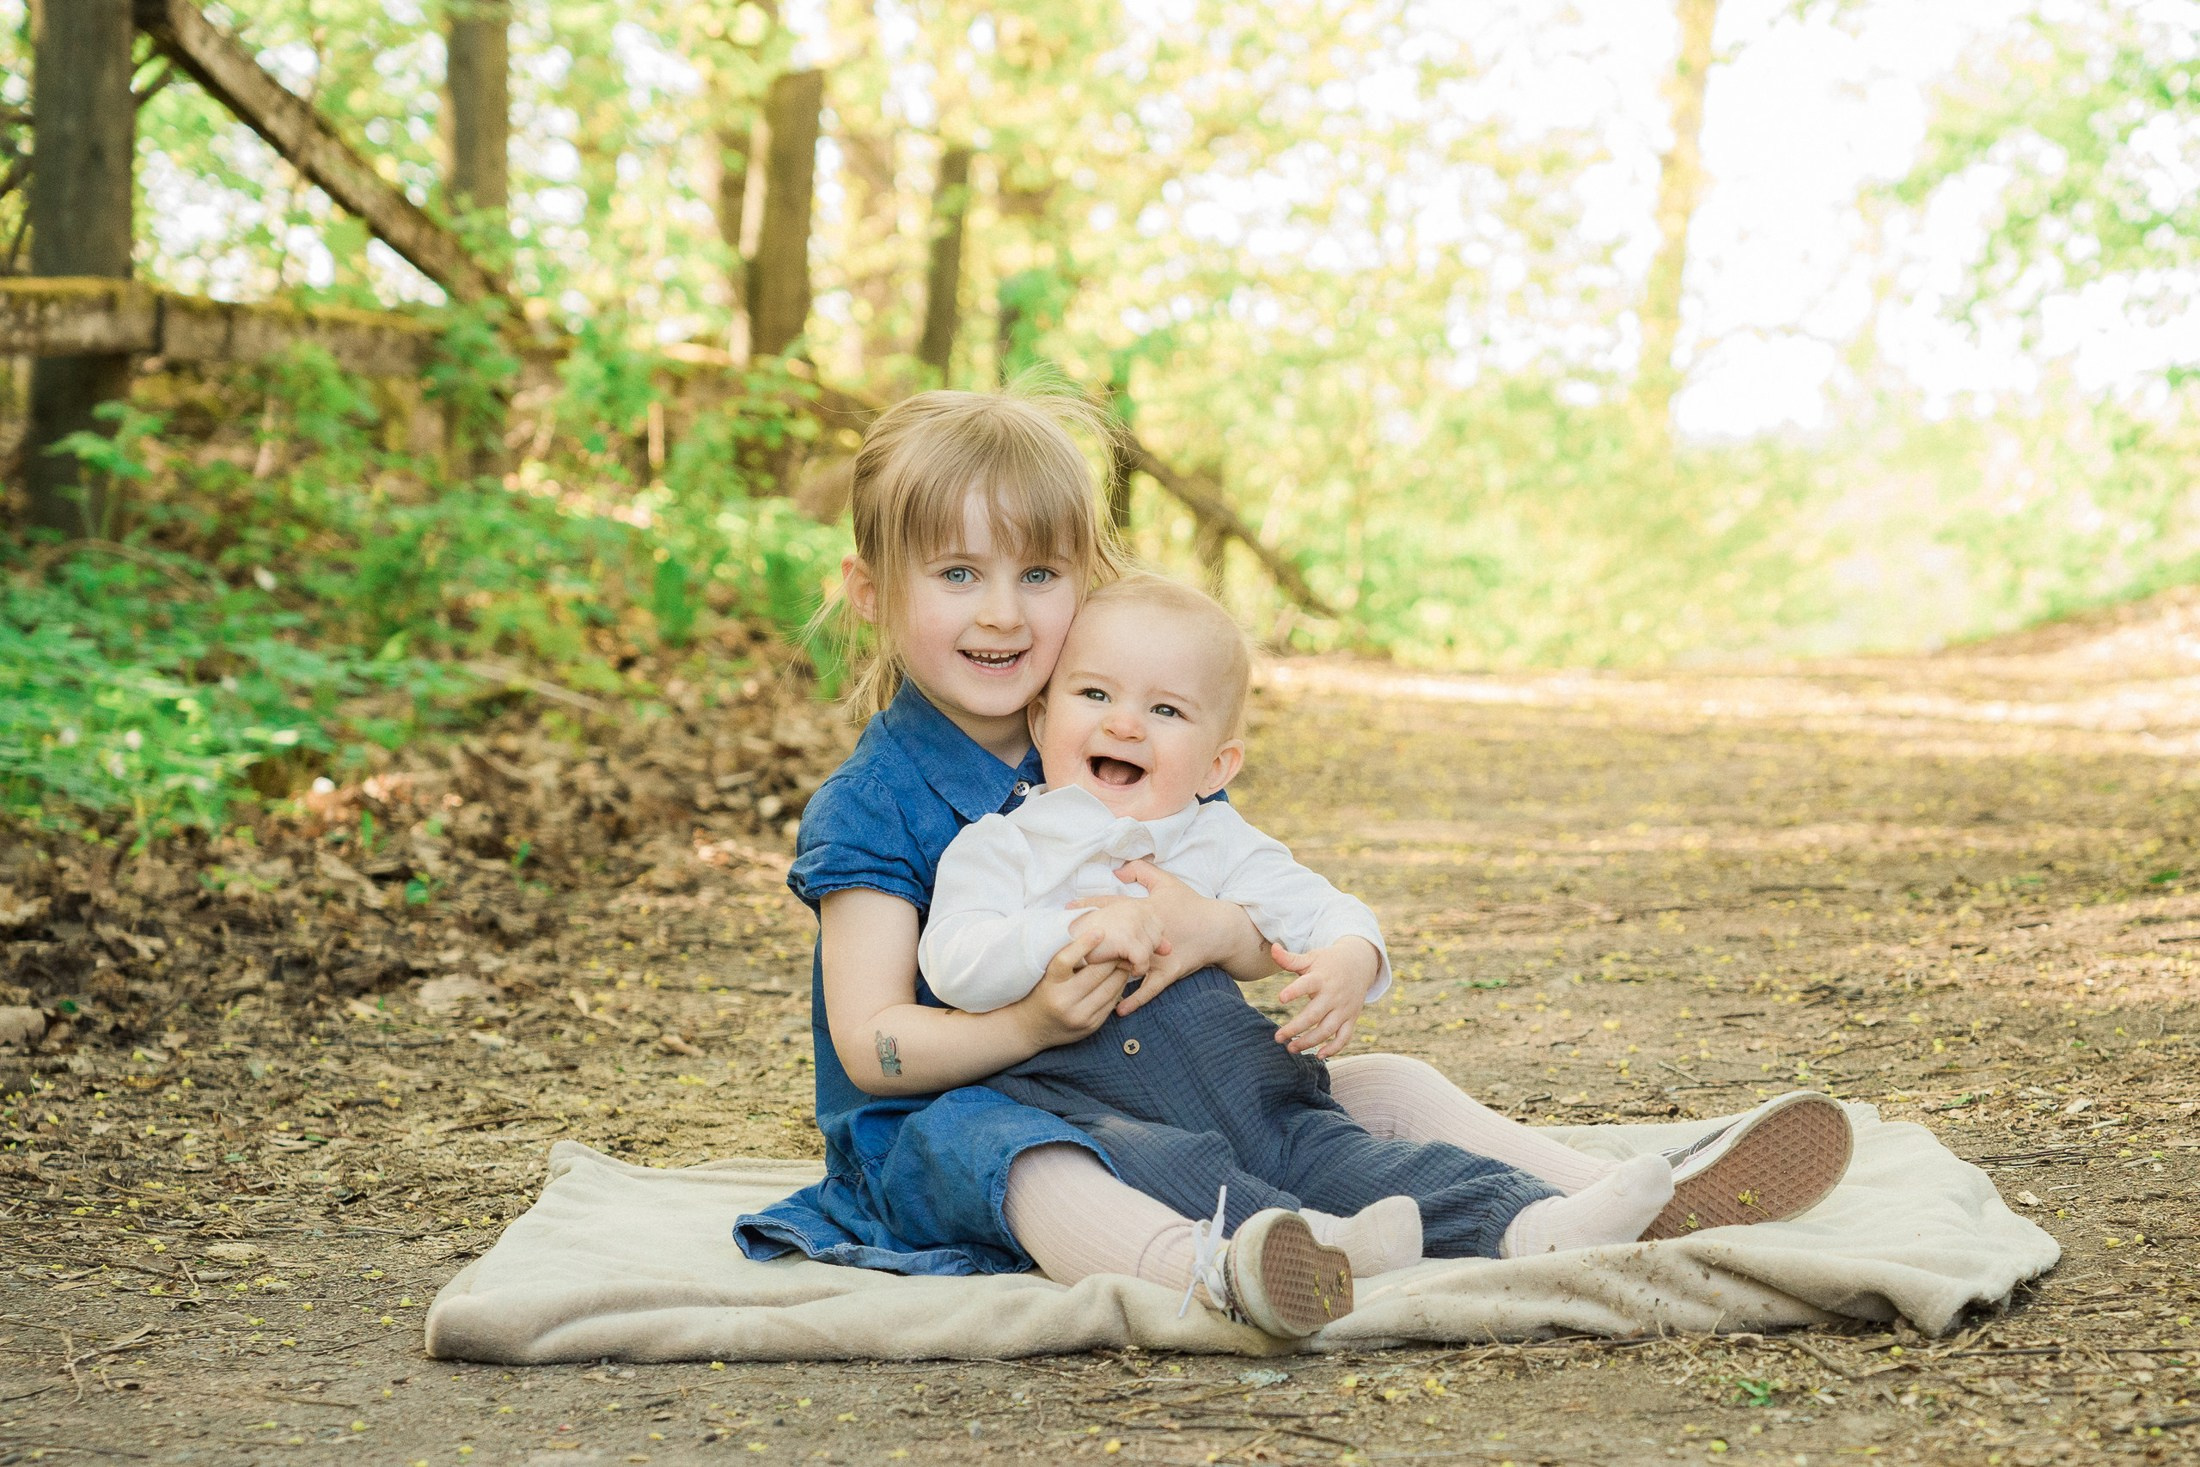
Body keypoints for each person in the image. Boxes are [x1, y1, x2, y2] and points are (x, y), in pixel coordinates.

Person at [733, 387, 1851, 1339]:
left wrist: (1230, 936)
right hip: (973, 1111)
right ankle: (1213, 1271)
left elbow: (1251, 888)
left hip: (1182, 1085)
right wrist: (1025, 1025)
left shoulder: (1111, 728)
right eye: (957, 576)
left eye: (1037, 575)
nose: (1002, 612)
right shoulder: (876, 806)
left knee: (1367, 1093)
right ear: (876, 594)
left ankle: (1597, 1202)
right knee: (1026, 1153)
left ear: (1090, 583)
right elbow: (871, 1050)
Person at [919, 573, 1853, 1306]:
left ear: (1217, 763)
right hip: (1096, 1102)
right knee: (1144, 1173)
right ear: (1042, 720)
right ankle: (1264, 1265)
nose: (1125, 721)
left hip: (1251, 1093)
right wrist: (1071, 931)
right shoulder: (1006, 844)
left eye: (1166, 710)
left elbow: (1324, 907)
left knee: (1375, 1163)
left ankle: (1545, 1224)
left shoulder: (1217, 841)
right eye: (1093, 693)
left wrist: (1349, 960)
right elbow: (952, 958)